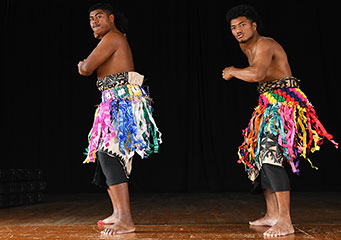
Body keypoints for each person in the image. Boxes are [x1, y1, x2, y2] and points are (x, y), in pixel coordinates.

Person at [222, 4, 338, 237]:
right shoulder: (246, 46)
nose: (238, 31)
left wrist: (233, 70)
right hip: (268, 103)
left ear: (254, 25)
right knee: (259, 157)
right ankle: (272, 213)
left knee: (271, 156)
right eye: (234, 27)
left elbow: (257, 74)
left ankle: (285, 220)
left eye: (242, 25)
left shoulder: (265, 43)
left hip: (285, 104)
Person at [78, 3, 162, 235]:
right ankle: (117, 212)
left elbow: (86, 68)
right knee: (105, 156)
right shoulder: (109, 39)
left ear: (112, 18)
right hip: (111, 103)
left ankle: (126, 219)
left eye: (99, 16)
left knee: (112, 155)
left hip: (122, 103)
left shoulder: (112, 38)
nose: (94, 21)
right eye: (91, 18)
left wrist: (81, 65)